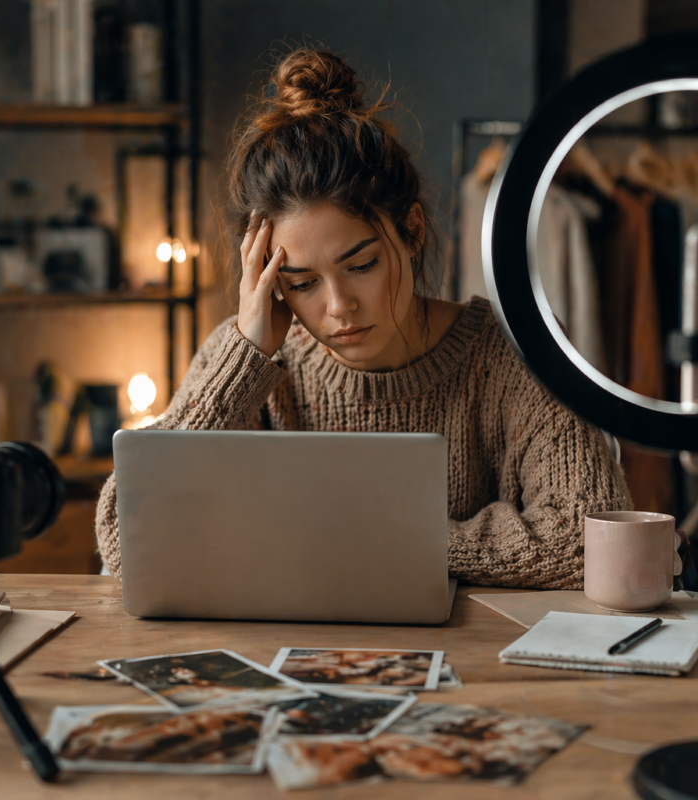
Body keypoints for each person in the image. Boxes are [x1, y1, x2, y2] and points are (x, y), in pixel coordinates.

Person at [95, 48, 631, 588]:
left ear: (413, 231)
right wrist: (244, 359)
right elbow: (126, 541)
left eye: (362, 265)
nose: (337, 307)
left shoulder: (515, 353)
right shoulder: (243, 361)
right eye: (302, 283)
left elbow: (589, 540)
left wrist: (371, 539)